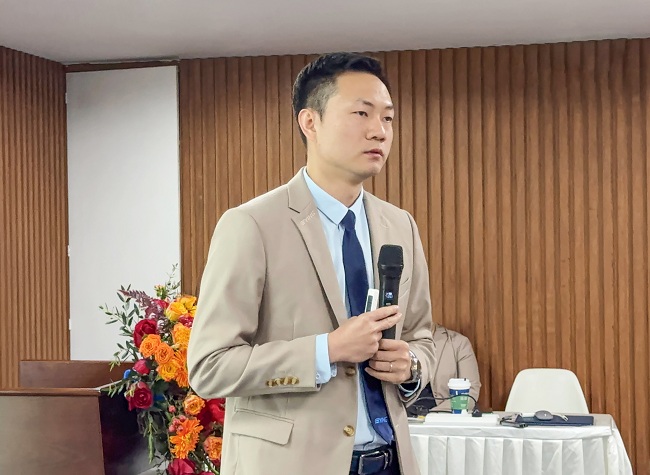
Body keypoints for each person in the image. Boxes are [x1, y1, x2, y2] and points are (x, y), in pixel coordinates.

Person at [187, 52, 435, 475]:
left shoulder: (400, 226)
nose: (379, 130)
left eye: (388, 118)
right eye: (361, 113)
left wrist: (411, 365)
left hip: (390, 461)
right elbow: (210, 367)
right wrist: (327, 350)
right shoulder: (252, 225)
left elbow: (422, 337)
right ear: (310, 122)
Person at [409, 324, 481, 414]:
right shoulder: (395, 342)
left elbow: (471, 392)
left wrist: (432, 415)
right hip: (402, 417)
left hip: (441, 416)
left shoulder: (458, 343)